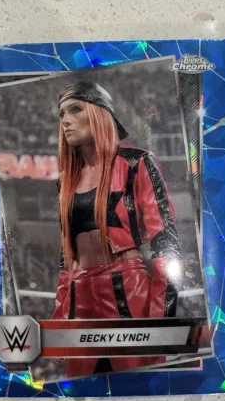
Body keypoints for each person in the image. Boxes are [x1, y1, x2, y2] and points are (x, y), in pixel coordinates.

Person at [51, 81, 183, 378]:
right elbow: (65, 255)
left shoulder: (136, 162)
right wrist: (60, 317)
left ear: (99, 113)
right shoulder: (66, 180)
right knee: (82, 389)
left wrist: (161, 316)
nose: (65, 121)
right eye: (61, 114)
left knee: (139, 383)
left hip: (126, 288)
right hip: (79, 295)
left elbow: (164, 238)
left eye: (75, 109)